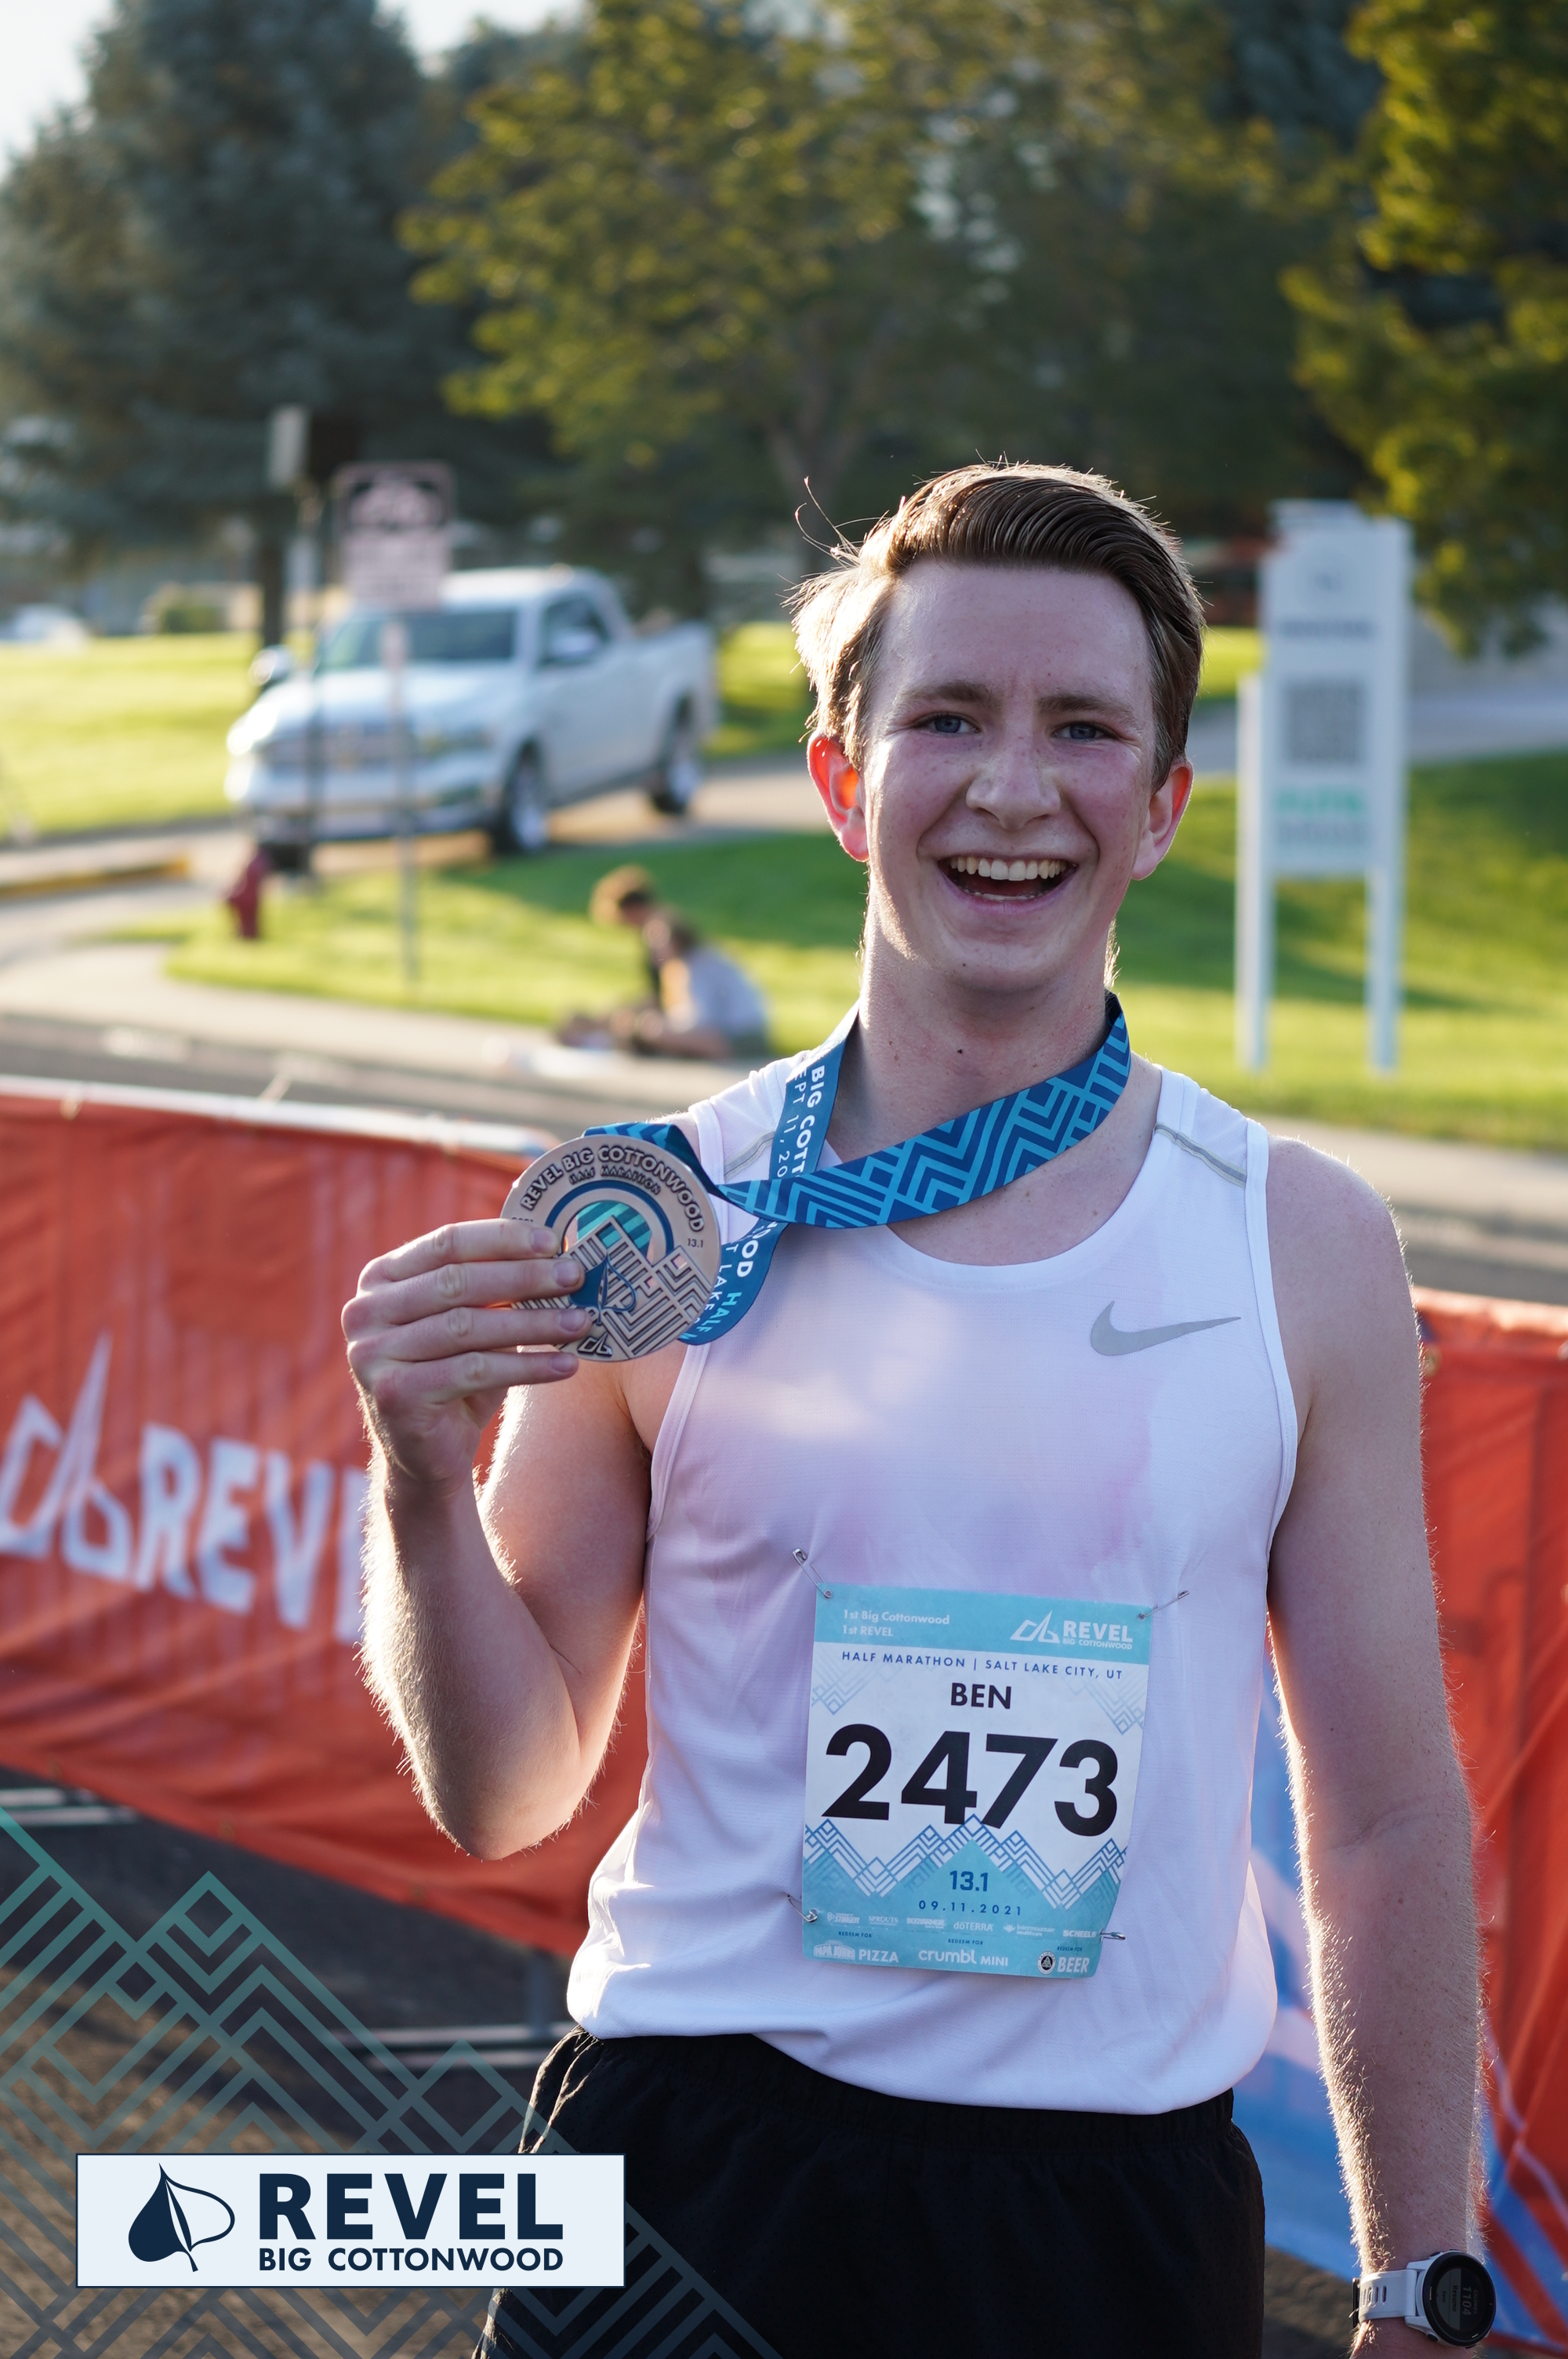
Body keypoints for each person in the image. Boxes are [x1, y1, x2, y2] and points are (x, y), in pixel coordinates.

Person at [343, 463, 1483, 2358]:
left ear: (1161, 805)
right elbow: (504, 1786)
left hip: (1106, 2219)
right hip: (689, 2173)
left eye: (1081, 728)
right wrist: (417, 1486)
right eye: (945, 717)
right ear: (838, 777)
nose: (1012, 787)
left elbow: (1377, 1812)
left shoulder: (1294, 1240)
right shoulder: (665, 1223)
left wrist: (1417, 2273)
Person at [559, 864, 769, 1061]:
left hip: (740, 1036)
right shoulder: (684, 968)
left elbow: (699, 1019)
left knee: (653, 1029)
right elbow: (663, 1001)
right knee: (645, 1025)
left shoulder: (696, 967)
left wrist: (651, 1026)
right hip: (725, 1030)